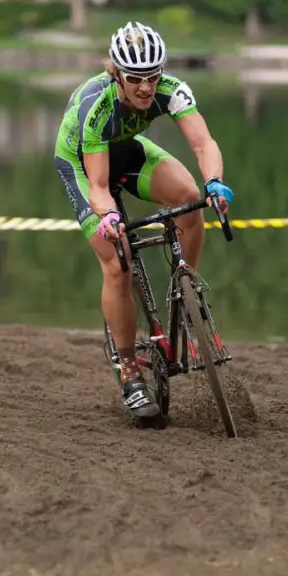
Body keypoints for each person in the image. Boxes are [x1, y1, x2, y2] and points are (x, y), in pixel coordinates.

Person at [55, 21, 233, 419]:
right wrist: (109, 217)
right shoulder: (96, 108)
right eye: (135, 78)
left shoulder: (170, 90)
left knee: (190, 198)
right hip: (85, 167)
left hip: (128, 150)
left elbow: (203, 143)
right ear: (116, 74)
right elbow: (98, 186)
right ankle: (130, 369)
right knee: (118, 262)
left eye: (153, 76)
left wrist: (216, 184)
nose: (146, 88)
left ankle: (188, 296)